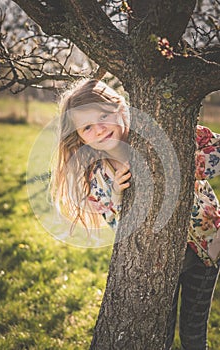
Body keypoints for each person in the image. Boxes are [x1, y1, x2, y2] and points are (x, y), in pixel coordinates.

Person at [51, 79, 220, 350]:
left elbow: (216, 153)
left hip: (204, 249)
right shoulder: (99, 177)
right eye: (87, 127)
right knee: (156, 335)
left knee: (193, 335)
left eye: (103, 116)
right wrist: (118, 194)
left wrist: (187, 160)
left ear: (119, 108)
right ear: (80, 137)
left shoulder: (162, 134)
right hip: (155, 263)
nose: (99, 129)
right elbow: (122, 230)